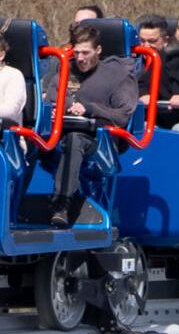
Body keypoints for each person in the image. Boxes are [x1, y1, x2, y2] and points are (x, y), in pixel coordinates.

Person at [47, 24, 139, 228]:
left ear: (98, 51)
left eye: (86, 52)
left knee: (74, 141)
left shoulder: (117, 76)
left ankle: (61, 204)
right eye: (77, 52)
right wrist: (58, 110)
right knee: (29, 144)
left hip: (100, 139)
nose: (80, 58)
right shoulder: (64, 72)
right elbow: (51, 99)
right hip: (60, 132)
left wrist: (90, 109)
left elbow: (123, 116)